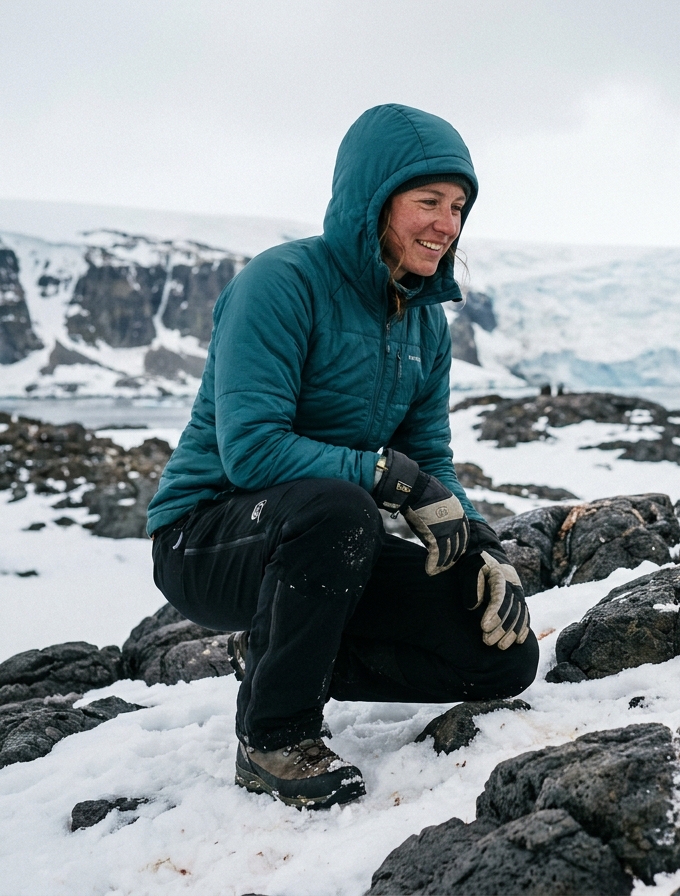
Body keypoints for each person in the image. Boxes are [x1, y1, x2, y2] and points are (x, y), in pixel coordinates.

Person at [146, 104, 538, 809]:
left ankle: (277, 653)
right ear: (373, 200)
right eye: (427, 202)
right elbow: (251, 452)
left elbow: (431, 460)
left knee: (503, 655)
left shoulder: (425, 320)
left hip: (321, 548)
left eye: (458, 207)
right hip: (207, 536)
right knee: (341, 506)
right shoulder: (281, 283)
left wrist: (483, 545)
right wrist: (387, 476)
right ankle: (275, 736)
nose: (447, 225)